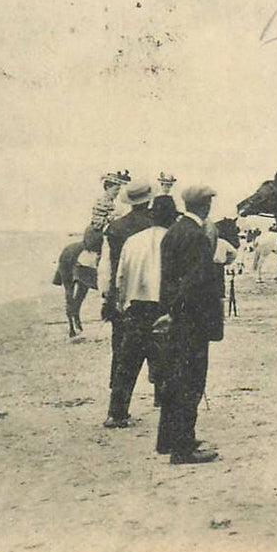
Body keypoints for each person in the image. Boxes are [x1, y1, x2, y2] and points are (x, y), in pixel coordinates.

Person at [156, 185, 223, 465]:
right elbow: (195, 283)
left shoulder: (172, 232)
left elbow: (170, 279)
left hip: (175, 319)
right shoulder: (197, 237)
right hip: (192, 320)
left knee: (174, 380)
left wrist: (169, 312)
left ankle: (170, 440)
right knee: (192, 382)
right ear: (205, 206)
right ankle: (183, 448)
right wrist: (180, 312)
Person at [106, 195, 179, 429]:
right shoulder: (173, 239)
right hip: (162, 307)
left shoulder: (133, 241)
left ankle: (116, 414)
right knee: (169, 360)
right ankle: (167, 408)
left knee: (127, 363)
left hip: (136, 308)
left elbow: (120, 276)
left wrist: (121, 305)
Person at [99, 181, 158, 427]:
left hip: (124, 300)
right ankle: (161, 398)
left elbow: (107, 267)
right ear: (149, 200)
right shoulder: (156, 227)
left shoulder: (115, 227)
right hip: (154, 298)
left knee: (123, 354)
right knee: (160, 350)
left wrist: (108, 297)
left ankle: (117, 411)